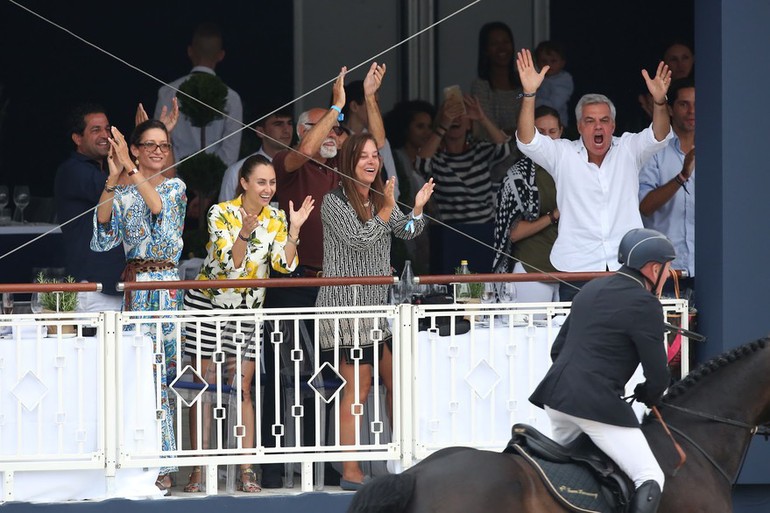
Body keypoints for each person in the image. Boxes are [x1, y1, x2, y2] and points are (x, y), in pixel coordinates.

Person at [182, 155, 314, 493]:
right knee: (205, 390)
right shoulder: (220, 212)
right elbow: (231, 264)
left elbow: (285, 267)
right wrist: (243, 232)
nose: (268, 188)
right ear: (244, 182)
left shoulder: (276, 216)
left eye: (272, 182)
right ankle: (199, 469)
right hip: (209, 306)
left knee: (241, 390)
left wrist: (295, 229)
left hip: (247, 310)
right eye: (261, 182)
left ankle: (246, 470)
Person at [315, 133, 434, 490]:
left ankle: (400, 460)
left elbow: (407, 231)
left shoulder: (378, 200)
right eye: (363, 156)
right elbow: (362, 238)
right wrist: (386, 207)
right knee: (357, 390)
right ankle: (349, 470)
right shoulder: (333, 202)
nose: (372, 162)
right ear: (348, 162)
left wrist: (417, 208)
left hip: (377, 312)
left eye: (375, 156)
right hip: (346, 313)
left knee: (396, 381)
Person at [529, 228, 674, 513]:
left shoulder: (592, 287)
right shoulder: (646, 304)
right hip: (593, 404)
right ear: (654, 268)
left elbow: (557, 351)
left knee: (561, 474)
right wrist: (649, 394)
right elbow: (658, 375)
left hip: (557, 399)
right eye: (667, 269)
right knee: (651, 476)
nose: (668, 276)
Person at [515, 48, 673, 301]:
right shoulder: (563, 154)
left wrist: (659, 102)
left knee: (625, 337)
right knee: (581, 338)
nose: (598, 126)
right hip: (577, 268)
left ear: (613, 125)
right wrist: (530, 94)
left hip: (627, 265)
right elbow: (527, 140)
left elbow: (660, 134)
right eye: (590, 121)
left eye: (604, 120)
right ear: (579, 127)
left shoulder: (629, 149)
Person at [91, 120, 187, 492]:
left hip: (165, 289)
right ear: (135, 149)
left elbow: (159, 208)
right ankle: (141, 457)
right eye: (149, 145)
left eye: (163, 145)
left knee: (161, 376)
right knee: (139, 376)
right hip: (136, 290)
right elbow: (102, 236)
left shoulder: (175, 187)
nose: (158, 151)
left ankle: (164, 463)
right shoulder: (126, 192)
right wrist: (113, 179)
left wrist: (129, 169)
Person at [54, 103, 125, 312]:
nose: (105, 135)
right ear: (78, 139)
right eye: (95, 130)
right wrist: (133, 156)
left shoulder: (104, 169)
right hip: (94, 290)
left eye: (107, 129)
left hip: (114, 287)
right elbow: (124, 194)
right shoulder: (73, 170)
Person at [492, 105, 563, 302]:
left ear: (562, 132)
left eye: (552, 132)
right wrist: (554, 216)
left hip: (575, 268)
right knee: (527, 332)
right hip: (533, 266)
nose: (547, 138)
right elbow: (513, 233)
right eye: (540, 132)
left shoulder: (577, 165)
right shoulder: (518, 176)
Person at [154, 22, 243, 166]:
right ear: (221, 55)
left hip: (174, 177)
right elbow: (230, 152)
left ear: (190, 51)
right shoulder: (232, 98)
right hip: (216, 182)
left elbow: (159, 140)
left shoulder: (167, 92)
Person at [639, 78, 695, 298]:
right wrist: (681, 176)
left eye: (697, 104)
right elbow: (645, 206)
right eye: (684, 104)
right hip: (665, 270)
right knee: (669, 333)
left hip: (710, 267)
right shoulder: (655, 150)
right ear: (671, 109)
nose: (692, 111)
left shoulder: (717, 147)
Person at [218, 107, 294, 202]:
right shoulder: (237, 171)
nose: (286, 130)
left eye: (290, 123)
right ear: (260, 131)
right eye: (278, 124)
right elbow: (224, 214)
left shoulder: (304, 167)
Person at [341, 80, 399, 199]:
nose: (377, 109)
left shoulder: (382, 142)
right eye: (372, 102)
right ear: (354, 106)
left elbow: (393, 186)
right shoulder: (336, 139)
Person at [470, 21, 522, 139]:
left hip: (525, 153)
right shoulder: (481, 86)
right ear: (486, 50)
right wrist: (518, 132)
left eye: (506, 42)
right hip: (493, 154)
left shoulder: (522, 83)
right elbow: (488, 130)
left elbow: (532, 125)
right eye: (494, 43)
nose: (502, 48)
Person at [534, 41, 574, 128]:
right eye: (544, 61)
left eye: (553, 61)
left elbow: (555, 104)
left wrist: (533, 102)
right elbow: (523, 95)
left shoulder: (564, 80)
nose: (548, 65)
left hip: (558, 125)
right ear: (537, 63)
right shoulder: (536, 77)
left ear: (562, 63)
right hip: (537, 124)